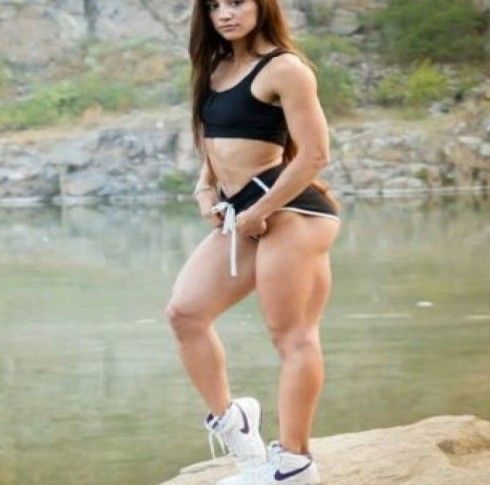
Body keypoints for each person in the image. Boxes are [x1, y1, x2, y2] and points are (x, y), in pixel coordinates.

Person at [163, 1, 342, 484]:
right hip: (241, 213)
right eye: (215, 5)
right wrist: (204, 189)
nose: (225, 13)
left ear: (262, 6)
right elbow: (217, 141)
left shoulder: (285, 68)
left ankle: (294, 463)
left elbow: (314, 154)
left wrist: (261, 211)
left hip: (292, 212)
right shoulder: (216, 67)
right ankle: (235, 421)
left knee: (292, 336)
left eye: (237, 1)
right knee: (185, 314)